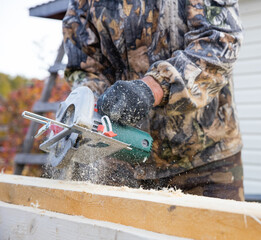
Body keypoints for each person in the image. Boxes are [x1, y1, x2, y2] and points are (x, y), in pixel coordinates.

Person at [62, 0, 244, 201]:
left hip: (204, 161)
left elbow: (220, 41)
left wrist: (154, 87)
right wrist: (89, 105)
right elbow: (84, 66)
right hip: (121, 160)